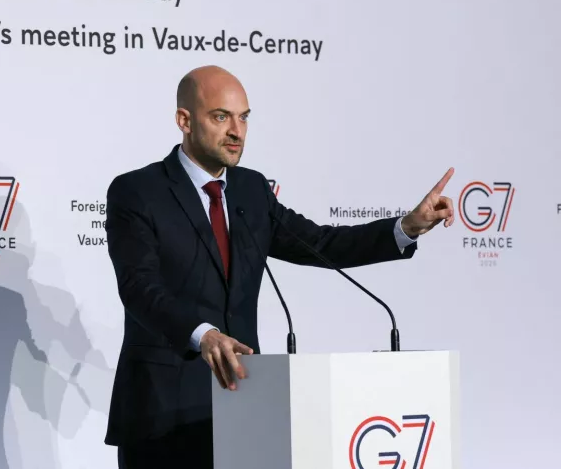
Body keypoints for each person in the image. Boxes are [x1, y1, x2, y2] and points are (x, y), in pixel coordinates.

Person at [102, 65, 455, 468]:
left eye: (244, 117)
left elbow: (320, 243)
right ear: (184, 120)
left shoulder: (251, 190)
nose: (237, 131)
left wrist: (405, 227)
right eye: (221, 116)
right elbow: (138, 287)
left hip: (244, 406)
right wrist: (203, 335)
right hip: (163, 411)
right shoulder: (138, 191)